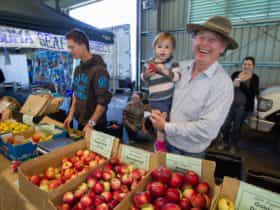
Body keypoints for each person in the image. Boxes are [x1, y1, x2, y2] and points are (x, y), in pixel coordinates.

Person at [150, 16, 238, 158]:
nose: (204, 44)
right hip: (165, 142)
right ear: (193, 40)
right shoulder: (180, 67)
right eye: (201, 37)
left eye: (212, 40)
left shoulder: (223, 84)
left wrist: (165, 127)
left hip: (190, 152)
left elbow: (207, 129)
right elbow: (161, 92)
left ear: (222, 48)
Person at [64, 29, 112, 133]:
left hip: (96, 125)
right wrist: (70, 115)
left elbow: (102, 103)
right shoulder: (78, 69)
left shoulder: (99, 70)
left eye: (72, 47)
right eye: (69, 48)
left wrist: (91, 124)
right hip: (81, 122)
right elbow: (75, 94)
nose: (70, 51)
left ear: (83, 45)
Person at [141, 32, 181, 152]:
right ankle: (160, 145)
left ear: (172, 50)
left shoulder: (173, 63)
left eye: (167, 47)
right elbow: (143, 79)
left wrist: (165, 71)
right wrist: (146, 75)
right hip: (157, 99)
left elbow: (177, 77)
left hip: (171, 98)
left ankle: (168, 143)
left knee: (170, 121)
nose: (163, 50)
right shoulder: (149, 63)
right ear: (154, 48)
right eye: (160, 47)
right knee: (160, 122)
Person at [219, 56, 259, 153]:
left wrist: (241, 85)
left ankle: (233, 145)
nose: (246, 66)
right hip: (231, 105)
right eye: (245, 64)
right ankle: (225, 142)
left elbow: (252, 94)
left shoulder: (255, 78)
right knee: (225, 125)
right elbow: (227, 87)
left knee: (236, 128)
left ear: (253, 66)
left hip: (243, 107)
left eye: (249, 64)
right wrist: (230, 85)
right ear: (242, 65)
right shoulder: (236, 74)